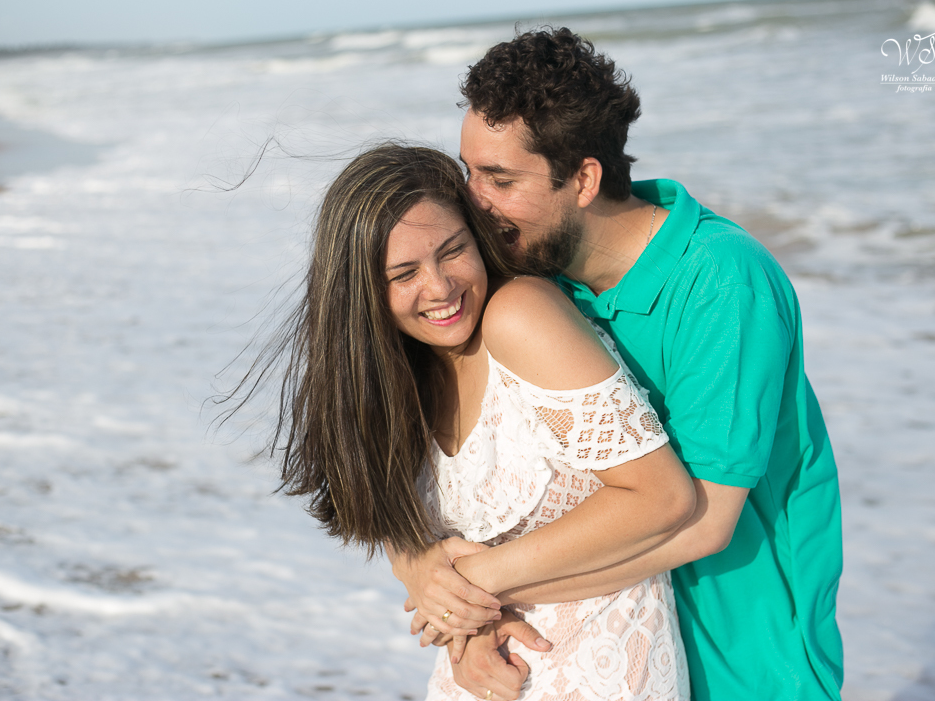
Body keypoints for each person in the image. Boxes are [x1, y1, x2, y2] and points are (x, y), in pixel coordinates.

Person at [390, 28, 844, 701]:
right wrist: (431, 576)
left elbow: (707, 520)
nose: (473, 199)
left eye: (500, 179)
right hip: (590, 646)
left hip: (740, 649)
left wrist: (478, 593)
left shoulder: (722, 282)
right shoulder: (525, 276)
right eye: (468, 171)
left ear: (584, 179)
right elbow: (429, 452)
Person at [237, 142, 697, 700]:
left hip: (599, 665)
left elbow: (661, 496)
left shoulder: (520, 316)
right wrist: (421, 569)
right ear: (361, 295)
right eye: (403, 273)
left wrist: (478, 583)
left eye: (452, 251)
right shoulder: (397, 378)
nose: (440, 287)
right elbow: (388, 513)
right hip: (473, 671)